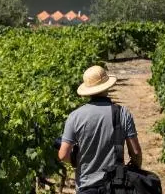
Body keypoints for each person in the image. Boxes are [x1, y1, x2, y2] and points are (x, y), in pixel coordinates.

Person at [59, 65, 143, 194]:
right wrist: (135, 168)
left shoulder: (75, 116)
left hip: (86, 187)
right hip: (116, 186)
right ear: (107, 86)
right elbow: (135, 153)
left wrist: (75, 159)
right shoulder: (122, 113)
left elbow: (63, 154)